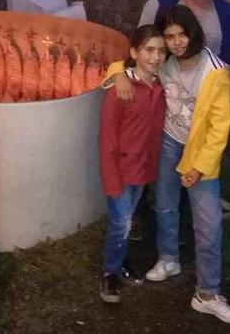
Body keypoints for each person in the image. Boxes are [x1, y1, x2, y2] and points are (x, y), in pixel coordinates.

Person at [106, 6, 230, 324]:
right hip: (168, 143)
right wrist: (116, 74)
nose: (177, 42)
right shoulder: (165, 61)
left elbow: (219, 129)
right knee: (165, 205)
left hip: (199, 153)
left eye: (181, 34)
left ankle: (208, 294)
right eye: (169, 36)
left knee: (207, 224)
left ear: (193, 32)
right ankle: (169, 258)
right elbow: (126, 60)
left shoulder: (216, 74)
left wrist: (199, 166)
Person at [98, 25, 167, 303]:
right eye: (149, 50)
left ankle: (119, 261)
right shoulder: (120, 91)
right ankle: (109, 272)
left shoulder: (161, 85)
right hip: (121, 172)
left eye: (161, 51)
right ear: (134, 53)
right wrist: (112, 179)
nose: (156, 56)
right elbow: (107, 140)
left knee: (125, 222)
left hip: (143, 170)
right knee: (122, 222)